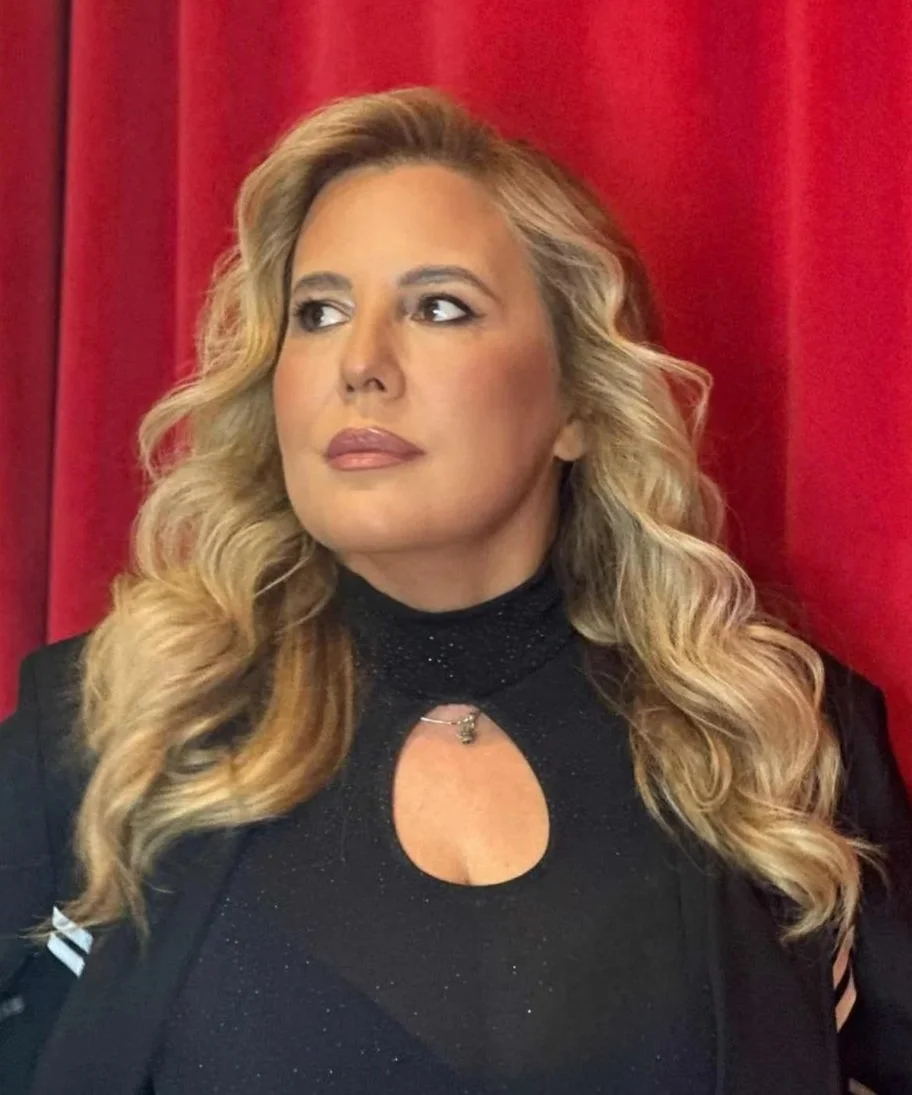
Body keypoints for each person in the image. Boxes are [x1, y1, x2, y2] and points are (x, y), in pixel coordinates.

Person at [1, 86, 910, 1095]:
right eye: (318, 313)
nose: (360, 363)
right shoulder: (105, 733)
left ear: (577, 401)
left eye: (439, 307)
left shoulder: (782, 742)